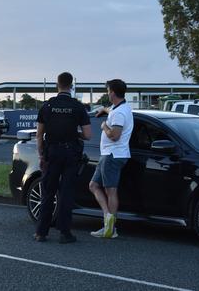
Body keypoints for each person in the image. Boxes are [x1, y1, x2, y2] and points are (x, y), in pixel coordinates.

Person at [34, 72, 92, 244]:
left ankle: (41, 233)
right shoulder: (77, 106)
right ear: (71, 85)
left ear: (56, 85)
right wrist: (75, 134)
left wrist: (41, 155)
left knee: (48, 192)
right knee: (66, 193)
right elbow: (88, 135)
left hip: (52, 153)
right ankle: (65, 233)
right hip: (71, 153)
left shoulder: (47, 106)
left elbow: (39, 135)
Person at [89, 79, 133, 239]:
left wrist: (104, 126)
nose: (107, 93)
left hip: (113, 155)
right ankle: (108, 218)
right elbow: (112, 110)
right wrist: (104, 109)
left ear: (113, 92)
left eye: (108, 91)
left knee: (111, 192)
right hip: (109, 155)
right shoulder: (120, 108)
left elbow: (114, 135)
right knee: (93, 185)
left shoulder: (119, 113)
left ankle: (111, 228)